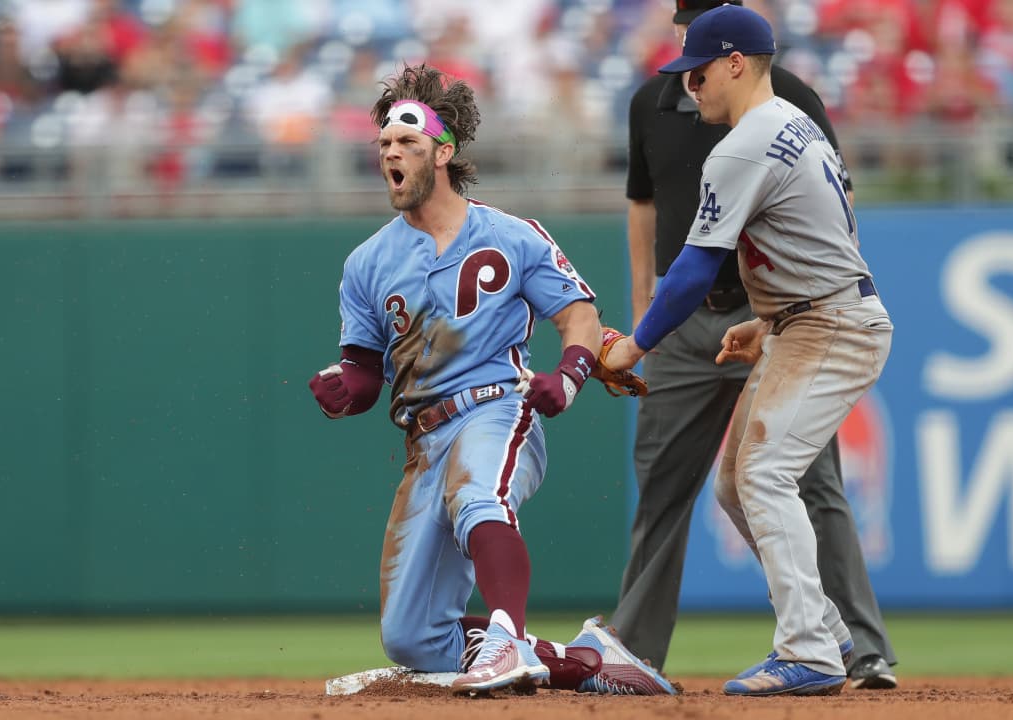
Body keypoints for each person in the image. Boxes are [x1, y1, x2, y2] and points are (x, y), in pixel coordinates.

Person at [307, 63, 676, 698]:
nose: (391, 153)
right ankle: (587, 661)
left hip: (495, 407)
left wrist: (571, 374)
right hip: (424, 440)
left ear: (443, 152)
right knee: (413, 637)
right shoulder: (367, 262)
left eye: (408, 142)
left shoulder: (510, 235)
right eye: (385, 143)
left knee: (480, 498)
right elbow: (365, 371)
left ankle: (505, 639)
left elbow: (579, 315)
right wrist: (345, 390)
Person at [602, 5, 895, 697]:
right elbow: (825, 237)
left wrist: (635, 345)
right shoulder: (794, 123)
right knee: (737, 484)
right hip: (807, 318)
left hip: (828, 326)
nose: (690, 85)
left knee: (765, 476)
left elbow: (692, 271)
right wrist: (769, 321)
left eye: (699, 72)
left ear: (735, 63)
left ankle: (808, 650)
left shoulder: (743, 145)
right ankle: (826, 628)